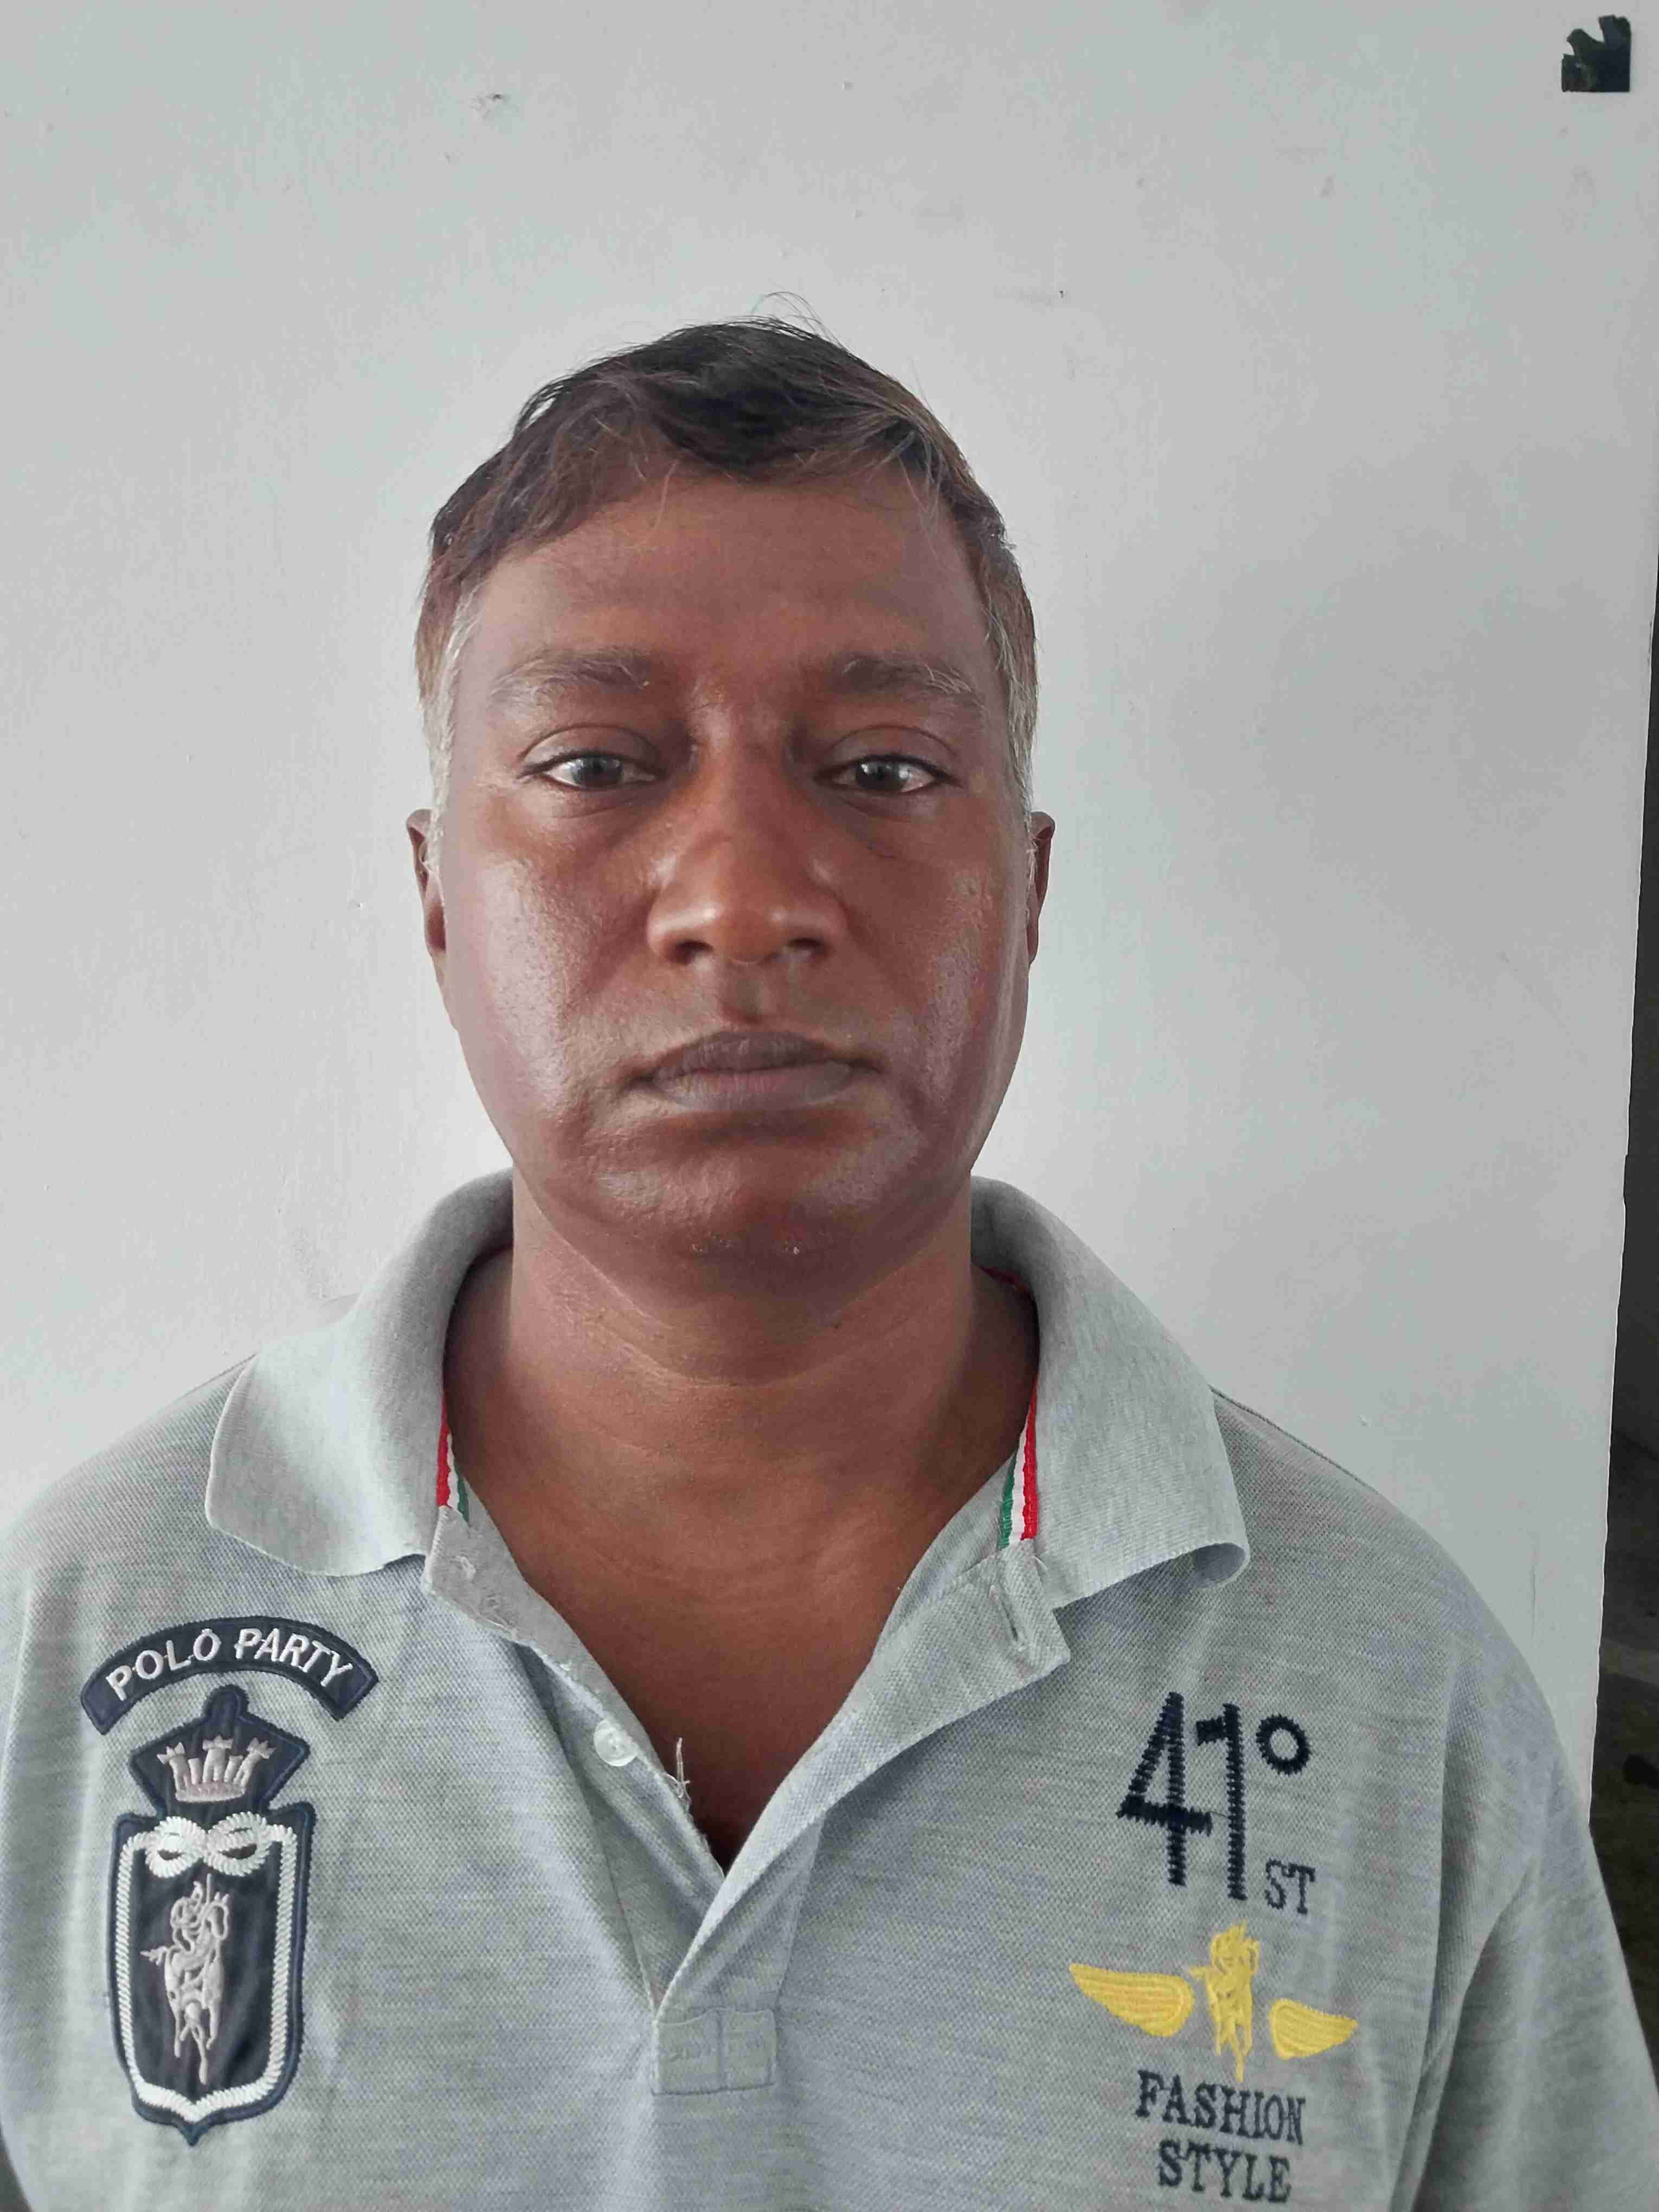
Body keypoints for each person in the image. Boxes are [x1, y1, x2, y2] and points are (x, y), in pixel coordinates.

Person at [1, 312, 1655, 2211]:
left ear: (1026, 892)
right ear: (437, 893)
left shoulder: (1385, 1687)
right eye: (595, 762)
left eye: (879, 769)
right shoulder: (70, 1640)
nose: (740, 900)